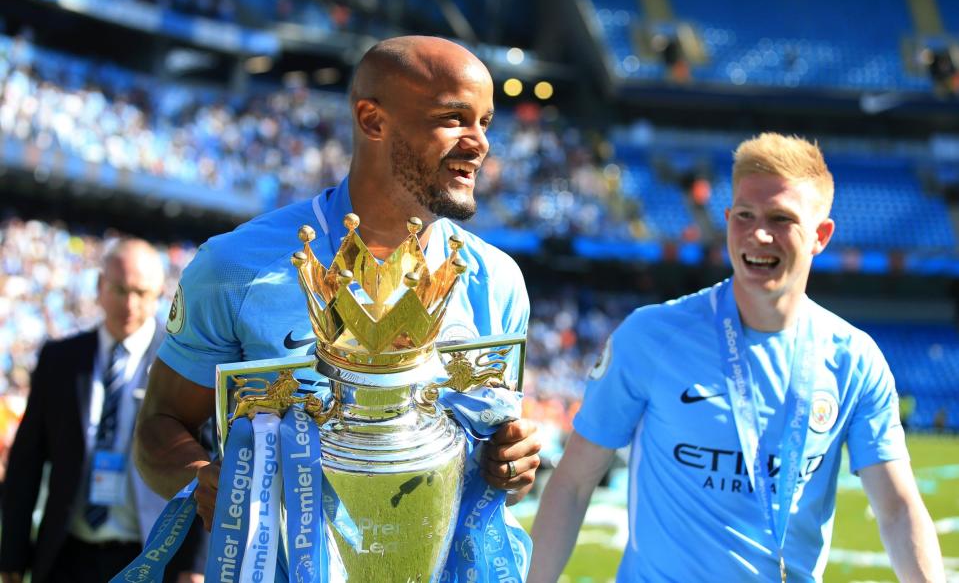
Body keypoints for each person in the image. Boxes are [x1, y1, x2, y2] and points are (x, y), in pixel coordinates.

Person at [133, 35, 541, 533]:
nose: (480, 144)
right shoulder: (234, 266)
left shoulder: (498, 281)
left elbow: (500, 462)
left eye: (485, 123)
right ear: (372, 119)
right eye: (452, 118)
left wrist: (512, 466)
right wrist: (203, 480)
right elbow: (158, 428)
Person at [528, 133, 945, 582]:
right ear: (727, 220)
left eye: (781, 218)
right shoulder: (650, 337)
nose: (758, 234)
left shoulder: (854, 360)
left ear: (820, 236)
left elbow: (898, 510)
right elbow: (571, 485)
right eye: (744, 215)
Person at [0, 239, 206, 583]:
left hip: (151, 556)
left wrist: (194, 564)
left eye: (141, 292)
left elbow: (204, 465)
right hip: (67, 555)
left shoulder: (182, 366)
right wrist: (10, 559)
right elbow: (27, 463)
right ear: (99, 287)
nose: (130, 303)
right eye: (120, 289)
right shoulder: (60, 360)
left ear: (159, 294)